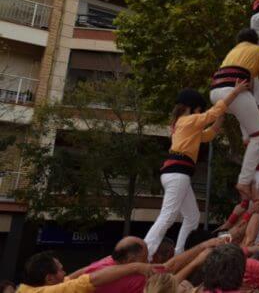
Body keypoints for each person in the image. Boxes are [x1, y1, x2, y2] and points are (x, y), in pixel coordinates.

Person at [144, 81, 247, 257]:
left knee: (192, 217)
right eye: (199, 110)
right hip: (178, 175)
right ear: (192, 108)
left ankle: (180, 253)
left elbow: (209, 134)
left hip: (177, 174)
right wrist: (235, 92)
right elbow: (211, 114)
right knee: (168, 216)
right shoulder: (187, 121)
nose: (200, 113)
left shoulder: (182, 124)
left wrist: (221, 115)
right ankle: (146, 251)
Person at [209, 28, 259, 198]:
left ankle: (245, 139)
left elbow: (251, 88)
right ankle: (244, 180)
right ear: (256, 41)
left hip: (215, 93)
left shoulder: (233, 52)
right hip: (234, 92)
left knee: (247, 112)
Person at [17, 251, 157, 293]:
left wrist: (107, 260)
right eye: (60, 269)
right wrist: (136, 267)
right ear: (49, 278)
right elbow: (89, 280)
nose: (65, 272)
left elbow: (72, 278)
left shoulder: (36, 288)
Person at [81, 236, 149, 293]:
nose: (148, 262)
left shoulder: (105, 261)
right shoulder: (139, 280)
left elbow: (72, 278)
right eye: (145, 259)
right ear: (130, 260)